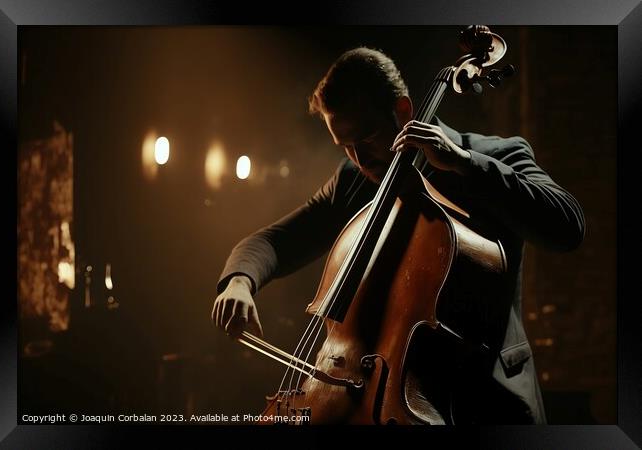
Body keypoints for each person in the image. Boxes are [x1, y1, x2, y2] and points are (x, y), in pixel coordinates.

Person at [211, 47, 585, 424]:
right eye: (344, 146)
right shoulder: (354, 181)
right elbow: (276, 241)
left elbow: (567, 226)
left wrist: (463, 163)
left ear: (403, 111)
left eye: (367, 137)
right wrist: (240, 280)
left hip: (486, 400)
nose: (359, 158)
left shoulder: (493, 156)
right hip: (387, 399)